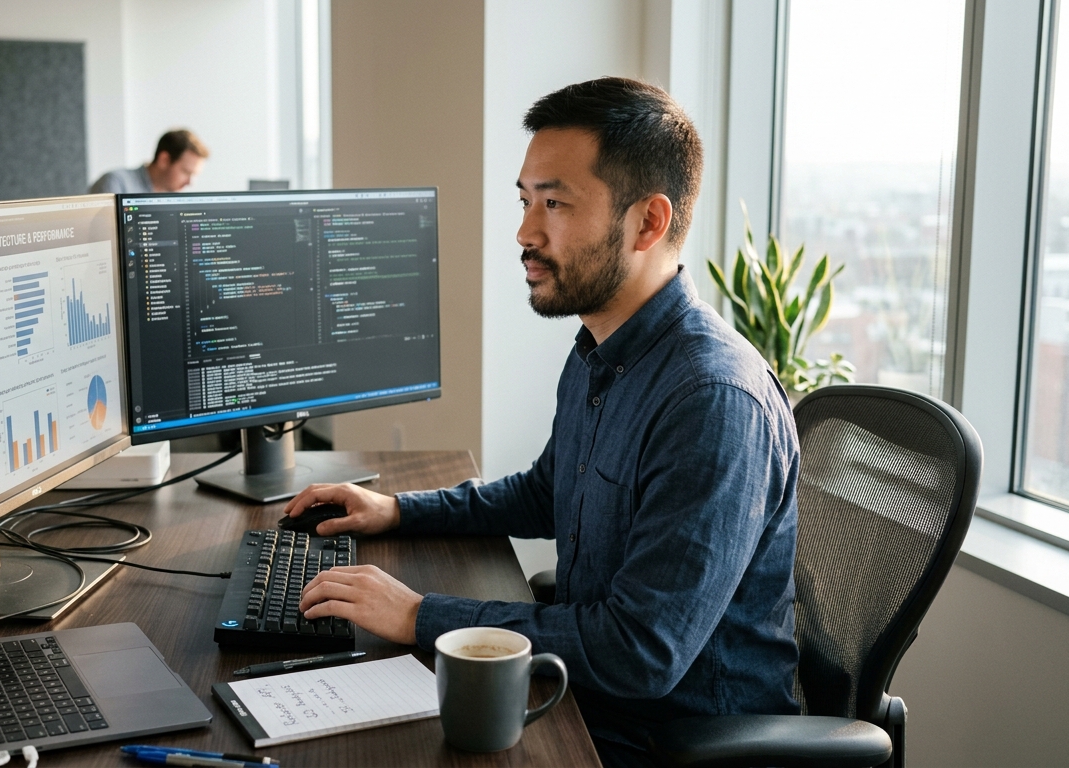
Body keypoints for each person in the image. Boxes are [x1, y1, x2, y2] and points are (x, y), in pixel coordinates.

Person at [284, 77, 801, 766]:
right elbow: (545, 490)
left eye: (555, 203)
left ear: (648, 221)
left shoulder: (713, 401)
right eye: (526, 201)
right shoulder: (600, 351)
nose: (525, 233)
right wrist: (395, 511)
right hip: (584, 698)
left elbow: (639, 653)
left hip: (660, 737)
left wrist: (420, 616)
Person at [88, 129, 210, 194]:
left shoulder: (173, 198)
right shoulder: (116, 183)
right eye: (186, 172)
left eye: (194, 175)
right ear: (164, 160)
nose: (190, 183)